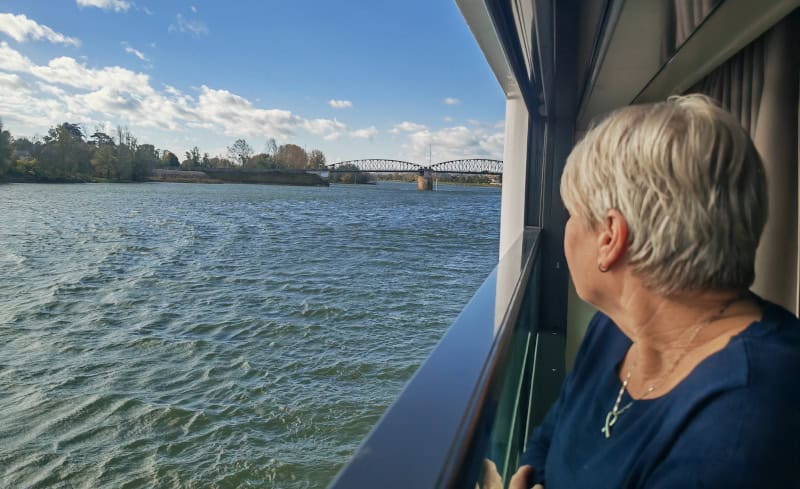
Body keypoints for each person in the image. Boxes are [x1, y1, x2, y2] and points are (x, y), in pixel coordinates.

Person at [504, 94, 800, 488]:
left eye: (571, 213)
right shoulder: (613, 330)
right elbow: (552, 433)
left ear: (610, 237)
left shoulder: (746, 418)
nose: (566, 230)